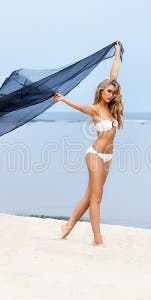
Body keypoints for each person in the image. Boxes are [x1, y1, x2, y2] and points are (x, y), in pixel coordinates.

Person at [53, 41, 124, 246]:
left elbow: (114, 74)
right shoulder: (95, 109)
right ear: (101, 91)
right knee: (97, 198)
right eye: (108, 91)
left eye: (113, 92)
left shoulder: (112, 109)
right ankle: (97, 239)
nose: (111, 94)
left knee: (89, 195)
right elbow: (80, 107)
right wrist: (63, 99)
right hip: (94, 154)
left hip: (108, 157)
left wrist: (117, 52)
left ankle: (67, 226)